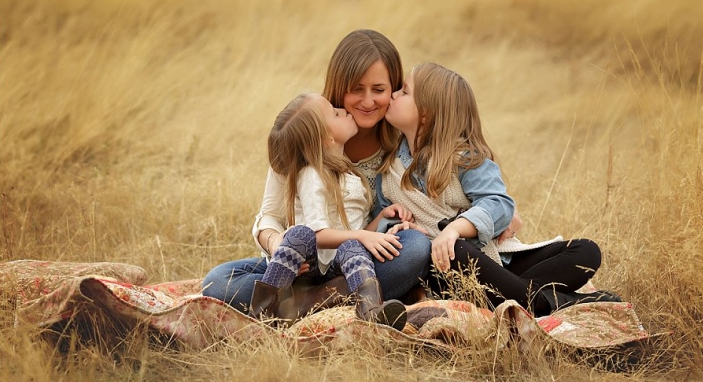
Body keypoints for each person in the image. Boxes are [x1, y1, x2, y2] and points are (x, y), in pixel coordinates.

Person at [202, 30, 433, 317]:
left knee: (416, 249)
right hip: (303, 265)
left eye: (378, 89)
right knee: (217, 282)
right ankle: (335, 299)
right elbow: (269, 215)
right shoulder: (304, 131)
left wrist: (500, 211)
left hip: (356, 261)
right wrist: (277, 246)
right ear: (339, 86)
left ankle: (301, 304)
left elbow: (448, 178)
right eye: (356, 89)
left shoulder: (399, 142)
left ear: (393, 89)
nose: (368, 101)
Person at [377, 62, 621, 317]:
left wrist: (454, 229)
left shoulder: (464, 158)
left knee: (586, 252)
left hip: (498, 262)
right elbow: (384, 224)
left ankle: (515, 298)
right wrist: (398, 224)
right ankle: (554, 303)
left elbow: (498, 203)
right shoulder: (390, 171)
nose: (394, 94)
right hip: (447, 272)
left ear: (425, 113)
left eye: (404, 91)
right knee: (456, 251)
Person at [246, 92, 410, 330]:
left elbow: (357, 232)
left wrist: (381, 219)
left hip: (337, 267)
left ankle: (371, 311)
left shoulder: (349, 173)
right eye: (335, 113)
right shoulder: (313, 174)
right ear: (328, 139)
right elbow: (317, 233)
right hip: (307, 269)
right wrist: (363, 236)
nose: (343, 111)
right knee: (301, 234)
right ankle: (263, 314)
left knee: (357, 247)